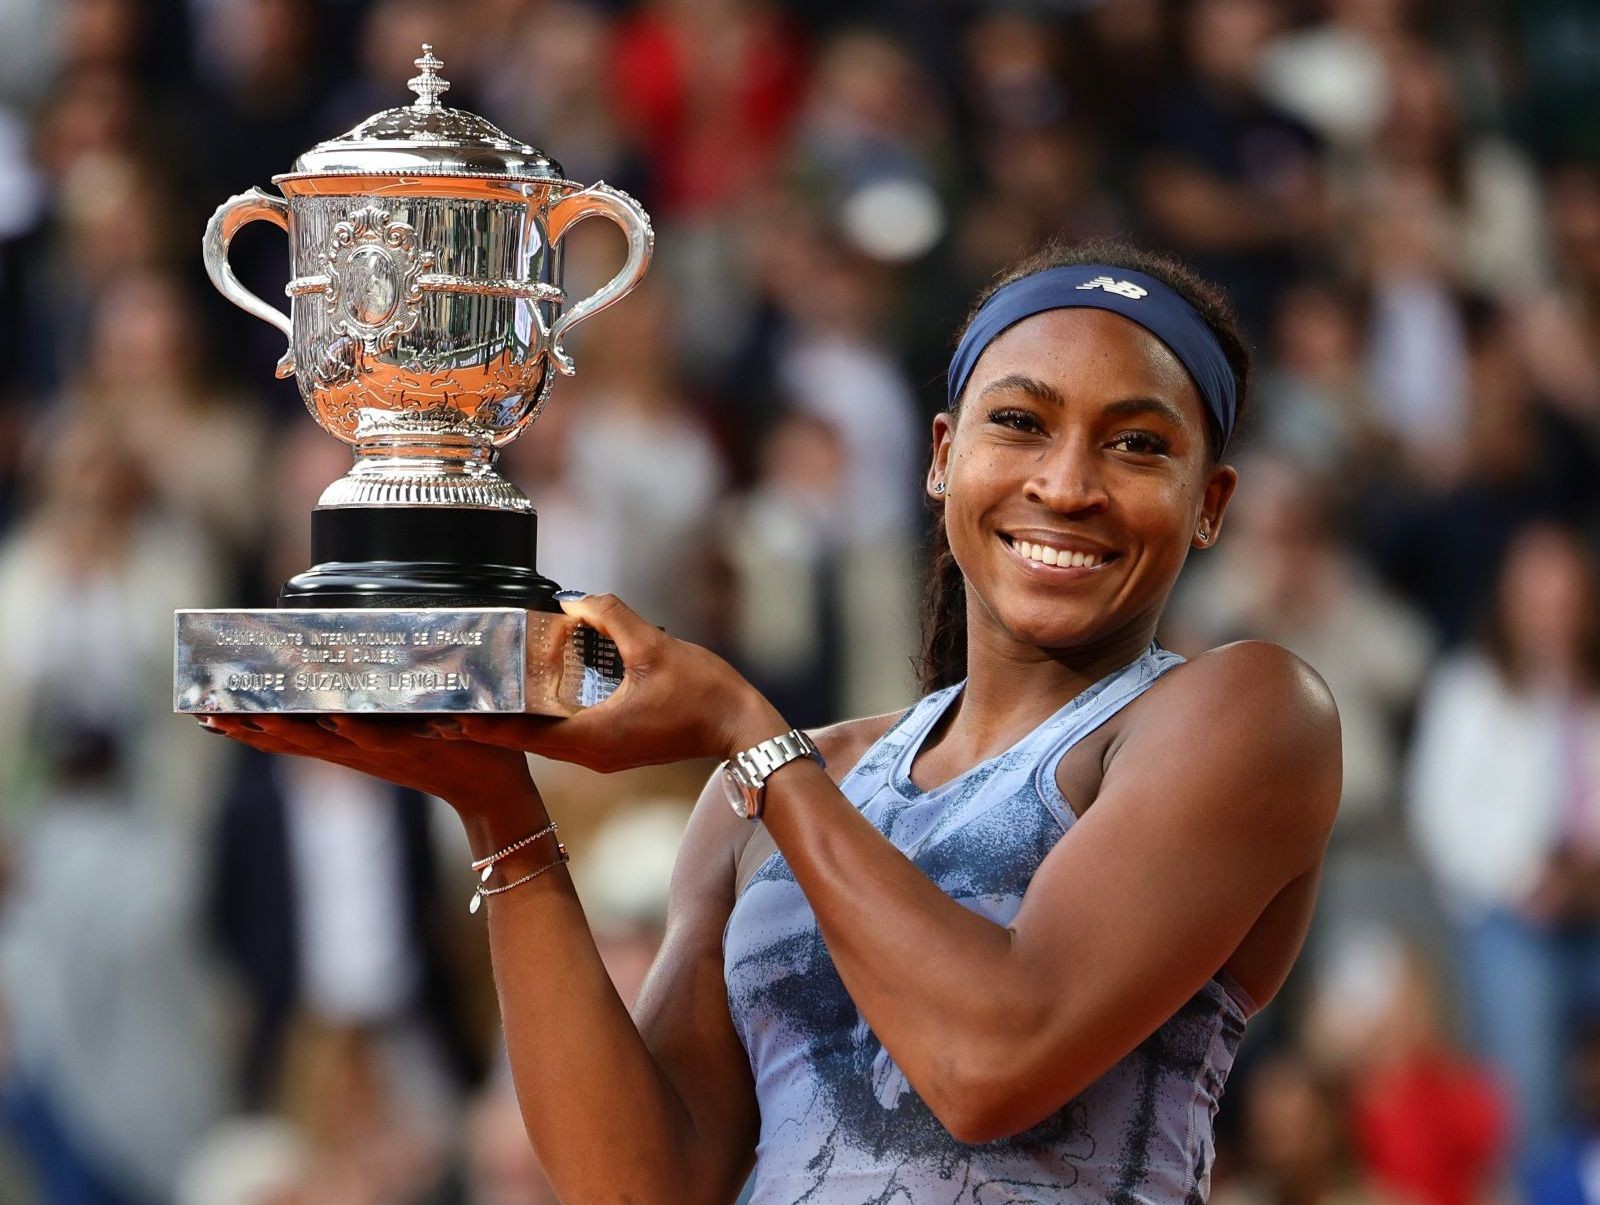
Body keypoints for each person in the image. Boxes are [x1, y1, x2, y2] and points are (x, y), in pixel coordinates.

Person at [202, 238, 1342, 1203]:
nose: (1067, 482)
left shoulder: (1244, 712)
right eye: (1019, 423)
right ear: (942, 457)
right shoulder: (784, 783)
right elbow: (640, 1183)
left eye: (1138, 443)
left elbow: (990, 1061)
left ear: (1211, 505)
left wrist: (747, 731)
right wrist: (497, 803)